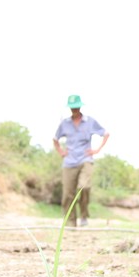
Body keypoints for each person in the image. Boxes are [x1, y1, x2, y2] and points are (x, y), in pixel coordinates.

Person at [53, 94, 110, 227]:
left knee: (84, 187)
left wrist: (97, 150)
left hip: (85, 159)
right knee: (68, 194)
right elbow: (55, 139)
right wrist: (61, 151)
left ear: (80, 106)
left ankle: (84, 215)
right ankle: (70, 222)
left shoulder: (90, 121)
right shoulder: (64, 124)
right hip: (69, 162)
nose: (74, 110)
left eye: (76, 107)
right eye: (72, 107)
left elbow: (106, 133)